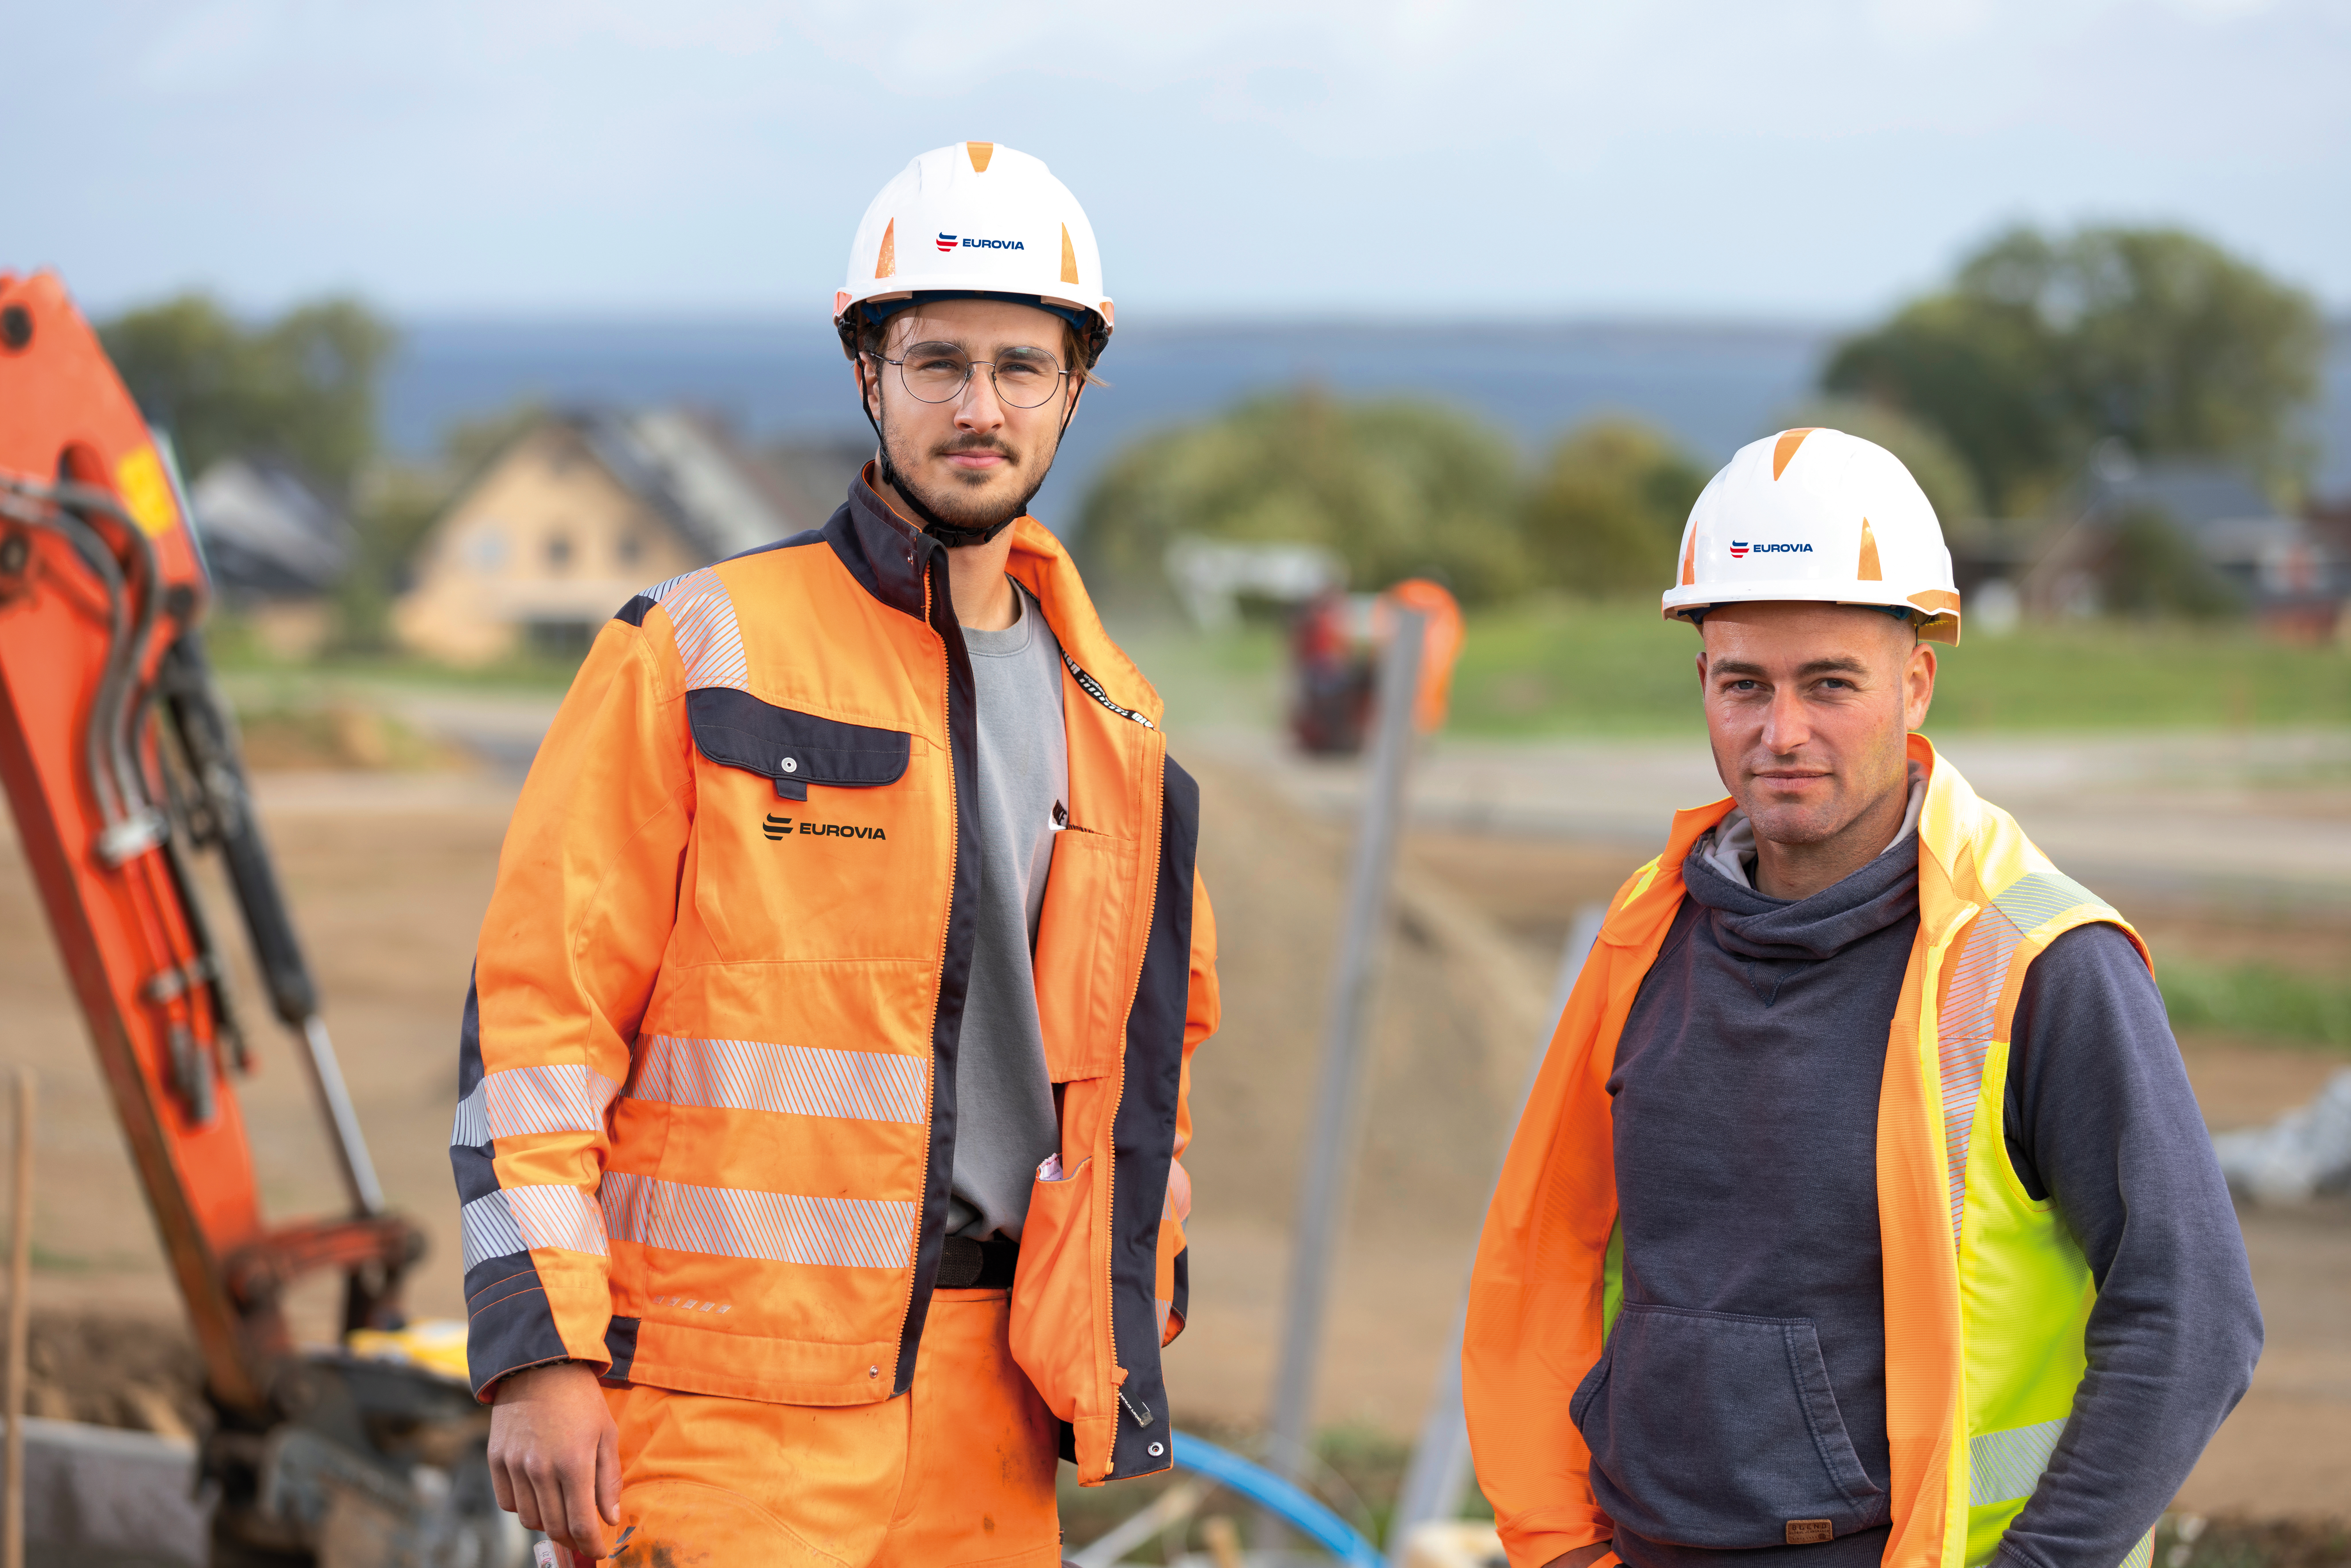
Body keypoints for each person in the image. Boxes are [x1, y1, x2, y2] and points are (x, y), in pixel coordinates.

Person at [451, 141, 1219, 1566]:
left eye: (1019, 367)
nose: (977, 407)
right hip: (722, 1401)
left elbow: (1143, 1069)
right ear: (866, 370)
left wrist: (1123, 1295)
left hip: (993, 1401)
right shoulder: (693, 646)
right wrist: (541, 1351)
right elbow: (537, 1022)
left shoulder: (1114, 716)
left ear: (1075, 387)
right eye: (935, 362)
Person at [1462, 428, 2261, 1568]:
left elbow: (2192, 1317)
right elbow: (1542, 1263)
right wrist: (1558, 1546)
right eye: (1743, 684)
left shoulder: (2032, 960)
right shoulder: (1647, 931)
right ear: (1703, 681)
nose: (1779, 732)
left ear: (1914, 679)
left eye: (1827, 684)